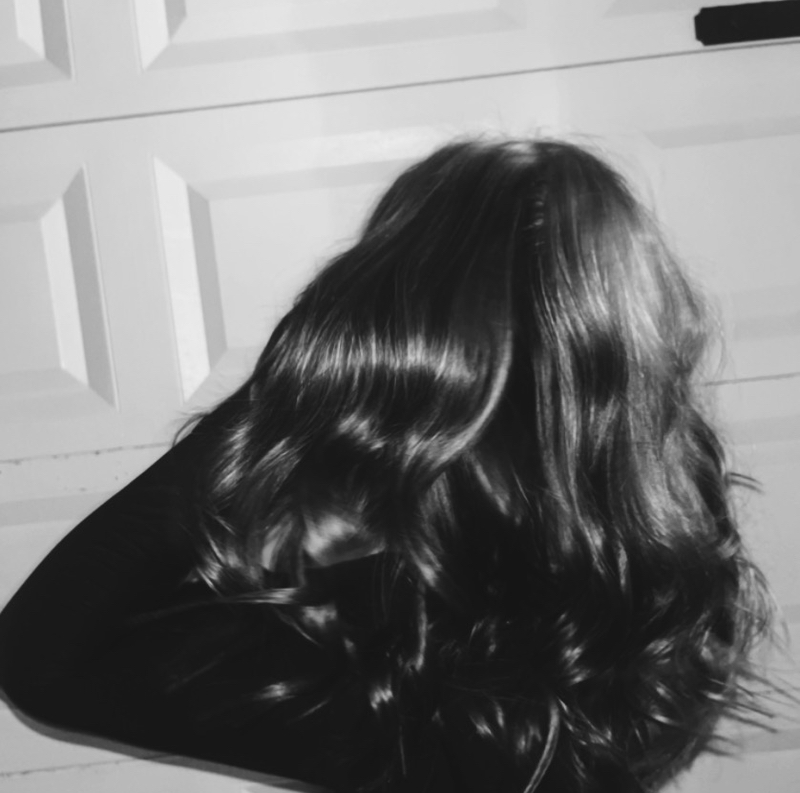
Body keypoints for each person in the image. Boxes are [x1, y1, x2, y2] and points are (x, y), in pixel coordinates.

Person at [0, 138, 776, 792]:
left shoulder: (396, 675)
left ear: (396, 346)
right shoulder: (669, 599)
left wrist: (293, 386)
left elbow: (41, 658)